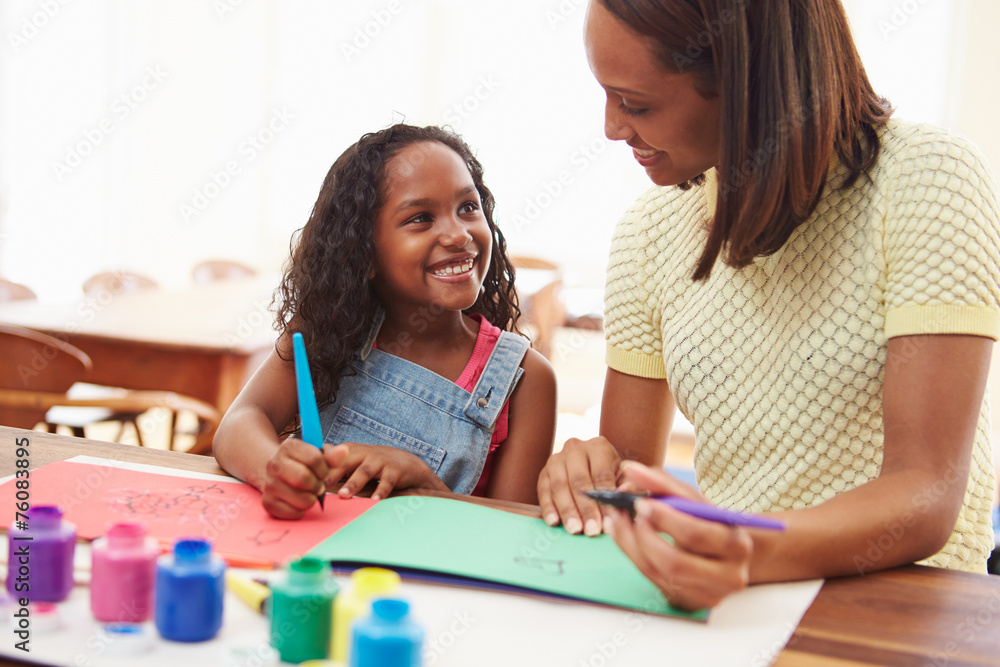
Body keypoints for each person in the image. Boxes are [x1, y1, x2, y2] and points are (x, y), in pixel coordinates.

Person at [537, 0, 1000, 610]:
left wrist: (749, 551)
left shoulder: (925, 179)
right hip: (735, 600)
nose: (612, 128)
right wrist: (588, 473)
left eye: (636, 103)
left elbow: (924, 493)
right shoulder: (647, 233)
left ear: (744, 83)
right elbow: (632, 478)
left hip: (905, 611)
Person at [215, 124, 557, 520]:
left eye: (468, 207)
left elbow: (510, 533)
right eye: (421, 218)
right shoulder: (329, 330)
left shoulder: (527, 379)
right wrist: (273, 469)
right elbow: (240, 422)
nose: (458, 234)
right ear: (365, 253)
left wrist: (426, 488)